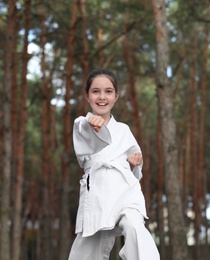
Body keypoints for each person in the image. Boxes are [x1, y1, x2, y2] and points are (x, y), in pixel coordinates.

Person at [68, 68, 160, 260]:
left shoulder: (124, 130)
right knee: (87, 251)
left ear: (116, 96)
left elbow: (135, 163)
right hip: (97, 196)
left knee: (134, 226)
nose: (102, 97)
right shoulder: (81, 124)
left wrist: (135, 164)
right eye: (95, 91)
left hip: (124, 192)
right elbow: (87, 143)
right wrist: (92, 126)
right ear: (87, 96)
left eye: (108, 91)